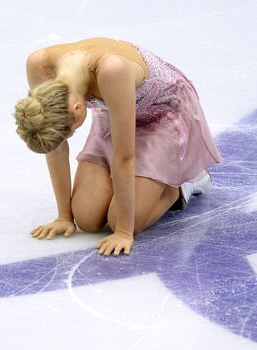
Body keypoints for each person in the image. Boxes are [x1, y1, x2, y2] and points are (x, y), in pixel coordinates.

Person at [13, 37, 222, 256]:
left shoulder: (112, 71)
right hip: (116, 112)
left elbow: (125, 158)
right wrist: (64, 216)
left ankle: (179, 184)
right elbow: (56, 147)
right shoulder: (39, 65)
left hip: (163, 115)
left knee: (122, 220)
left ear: (77, 109)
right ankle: (144, 184)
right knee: (87, 218)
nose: (70, 137)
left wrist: (123, 231)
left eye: (70, 132)